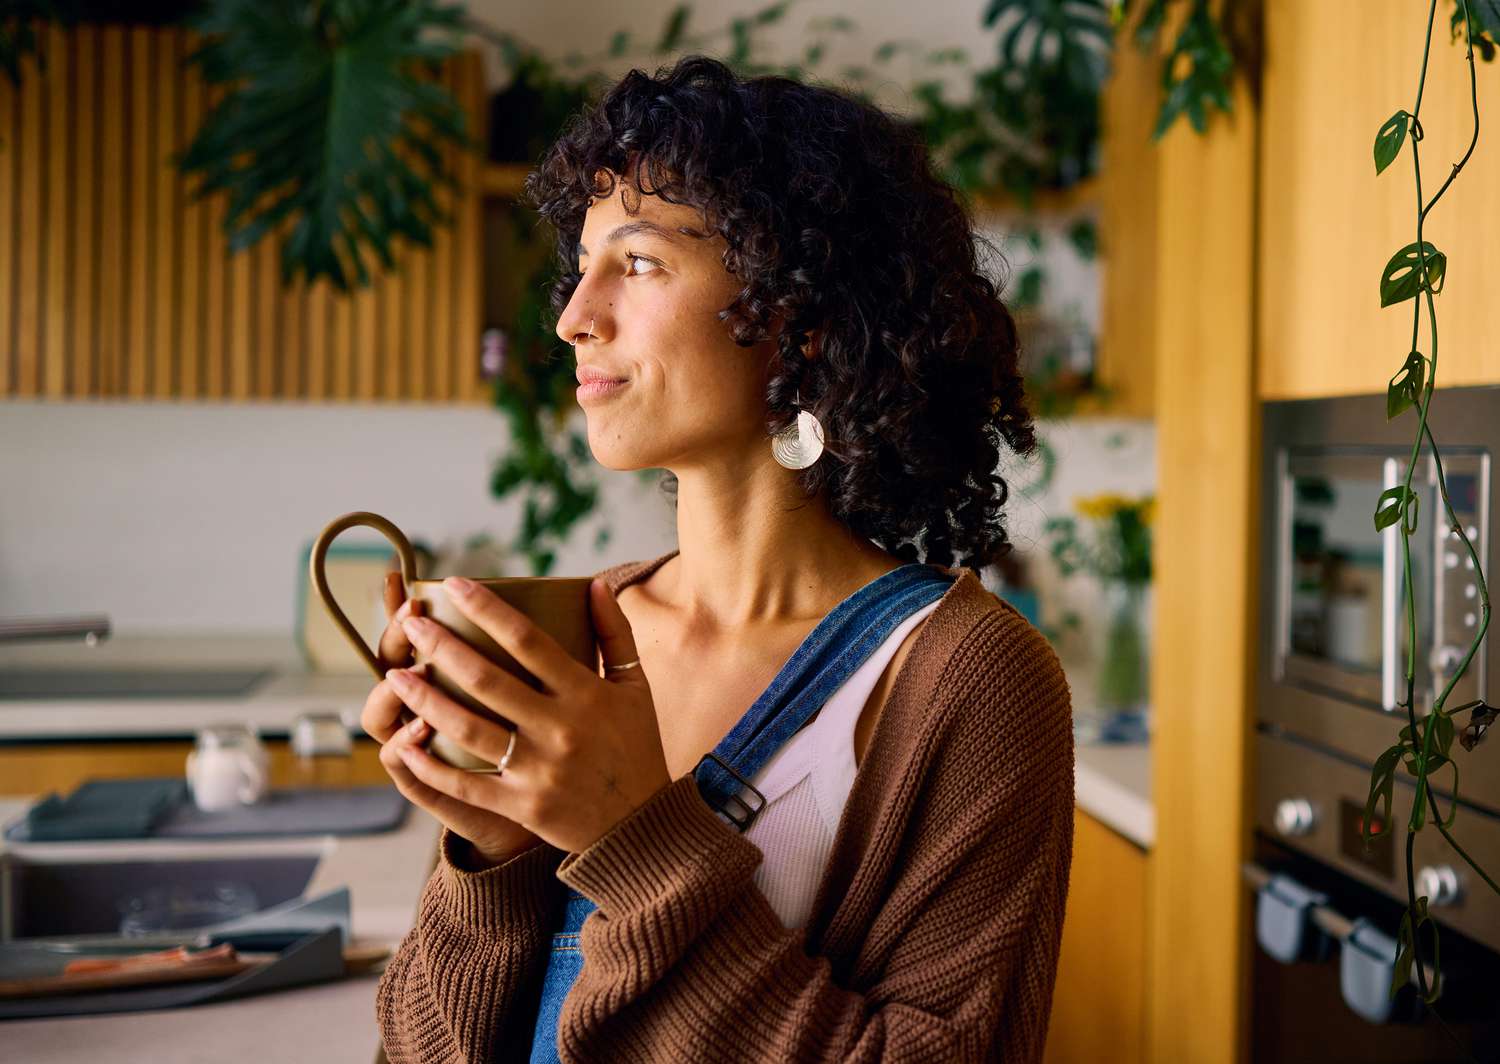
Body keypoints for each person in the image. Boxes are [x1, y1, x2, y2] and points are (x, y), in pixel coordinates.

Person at [361, 54, 1073, 1064]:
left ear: (800, 313)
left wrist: (637, 839)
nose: (574, 316)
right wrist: (489, 847)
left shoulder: (967, 677)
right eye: (584, 263)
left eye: (640, 262)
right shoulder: (578, 631)